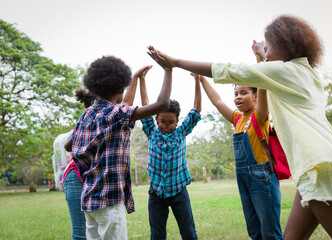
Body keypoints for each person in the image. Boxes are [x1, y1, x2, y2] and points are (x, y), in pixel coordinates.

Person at [147, 15, 332, 240]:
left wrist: (175, 62)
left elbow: (231, 71)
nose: (266, 53)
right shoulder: (305, 73)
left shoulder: (285, 72)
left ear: (283, 45)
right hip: (313, 170)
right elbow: (261, 79)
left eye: (268, 47)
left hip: (320, 169)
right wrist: (261, 59)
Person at [71, 47, 173, 240]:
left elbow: (69, 144)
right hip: (109, 200)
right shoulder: (117, 114)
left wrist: (134, 79)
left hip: (89, 201)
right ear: (120, 88)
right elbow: (162, 104)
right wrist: (168, 69)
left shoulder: (87, 115)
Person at [197, 47, 282, 238]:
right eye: (236, 94)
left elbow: (263, 85)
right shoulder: (238, 119)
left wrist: (260, 61)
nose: (238, 97)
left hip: (262, 177)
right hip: (243, 178)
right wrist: (201, 78)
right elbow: (218, 101)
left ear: (256, 96)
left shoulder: (259, 116)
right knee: (254, 230)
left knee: (270, 231)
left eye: (244, 93)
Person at [139, 71, 201, 240]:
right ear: (156, 120)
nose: (166, 126)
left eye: (170, 122)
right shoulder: (152, 131)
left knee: (188, 231)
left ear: (177, 121)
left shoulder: (181, 133)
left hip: (179, 191)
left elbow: (196, 110)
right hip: (156, 193)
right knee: (157, 234)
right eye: (162, 122)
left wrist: (197, 80)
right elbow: (144, 106)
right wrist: (141, 79)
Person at [61, 88, 97, 240]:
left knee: (95, 229)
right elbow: (68, 146)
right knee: (80, 232)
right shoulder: (86, 121)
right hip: (76, 177)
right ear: (94, 104)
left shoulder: (104, 119)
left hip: (91, 177)